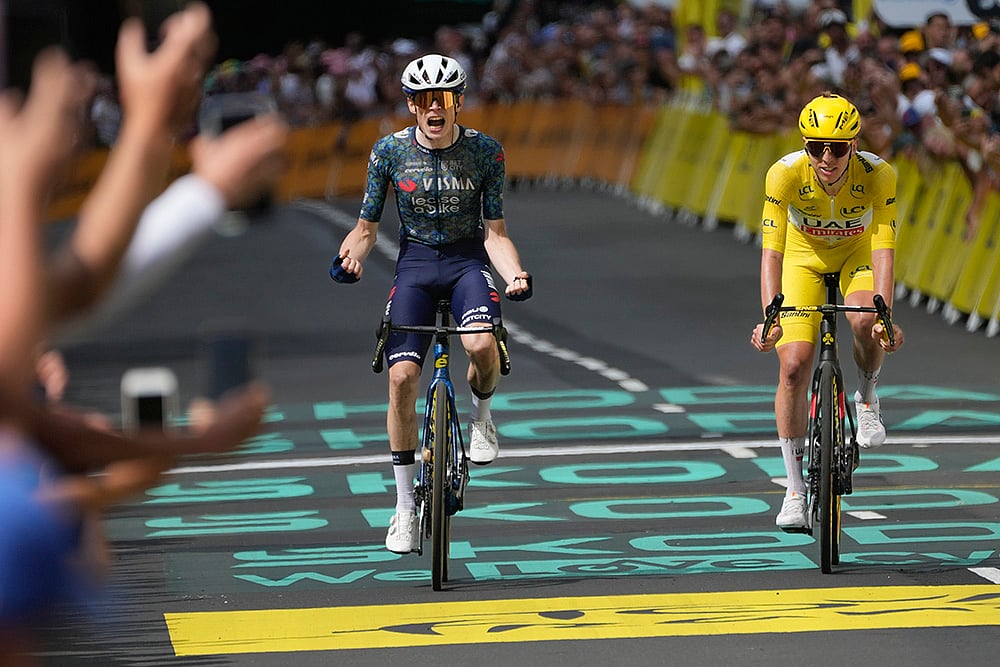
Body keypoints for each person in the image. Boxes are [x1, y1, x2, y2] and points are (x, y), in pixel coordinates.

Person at [333, 54, 531, 554]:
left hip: (467, 261)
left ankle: (481, 417)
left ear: (458, 102)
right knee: (401, 378)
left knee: (482, 344)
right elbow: (365, 230)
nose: (434, 108)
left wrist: (514, 275)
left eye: (442, 98)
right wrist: (346, 261)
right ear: (412, 105)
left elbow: (496, 234)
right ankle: (403, 507)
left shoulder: (486, 152)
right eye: (424, 100)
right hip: (417, 265)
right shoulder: (389, 153)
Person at [750, 92, 905, 532]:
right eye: (815, 147)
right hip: (802, 259)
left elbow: (883, 251)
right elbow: (772, 253)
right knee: (795, 366)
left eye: (837, 147)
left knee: (864, 320)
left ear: (854, 145)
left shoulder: (879, 175)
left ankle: (867, 396)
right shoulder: (784, 175)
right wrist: (770, 316)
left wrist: (885, 317)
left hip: (856, 255)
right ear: (804, 145)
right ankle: (795, 489)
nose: (826, 157)